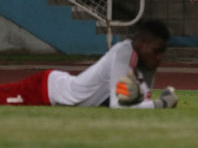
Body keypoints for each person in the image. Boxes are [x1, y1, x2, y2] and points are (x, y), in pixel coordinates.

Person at [0, 20, 178, 108]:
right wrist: (162, 103)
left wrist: (155, 101)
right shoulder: (124, 54)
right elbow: (120, 106)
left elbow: (142, 100)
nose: (160, 56)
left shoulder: (138, 61)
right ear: (141, 44)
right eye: (157, 50)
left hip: (54, 88)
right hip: (45, 91)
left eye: (163, 51)